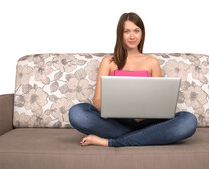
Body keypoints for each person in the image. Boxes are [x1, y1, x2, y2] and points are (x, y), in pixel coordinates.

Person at [69, 12, 197, 147]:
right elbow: (97, 102)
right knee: (77, 113)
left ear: (142, 34)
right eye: (127, 31)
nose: (132, 36)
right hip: (116, 122)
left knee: (189, 120)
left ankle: (112, 142)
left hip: (147, 121)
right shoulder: (108, 61)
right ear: (120, 34)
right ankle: (148, 135)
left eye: (136, 31)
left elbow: (159, 102)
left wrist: (144, 113)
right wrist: (120, 110)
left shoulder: (152, 62)